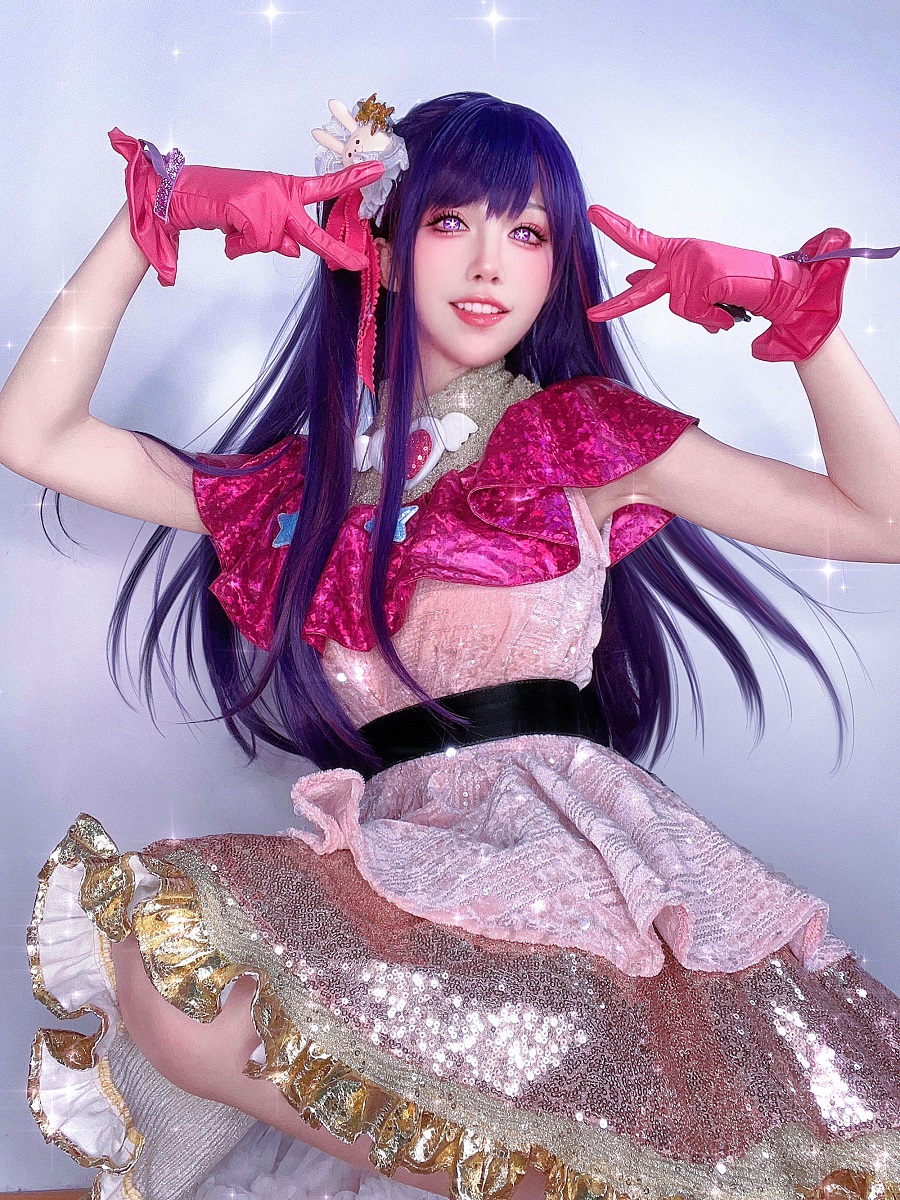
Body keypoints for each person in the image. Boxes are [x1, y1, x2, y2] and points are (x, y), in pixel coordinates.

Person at [3, 91, 899, 1200]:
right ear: (382, 240)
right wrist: (155, 214)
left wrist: (804, 322)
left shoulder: (578, 437)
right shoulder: (304, 489)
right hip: (399, 870)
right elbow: (34, 434)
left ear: (557, 269)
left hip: (570, 868)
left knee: (658, 1130)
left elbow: (883, 520)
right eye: (449, 221)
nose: (488, 264)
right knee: (162, 949)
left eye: (527, 233)